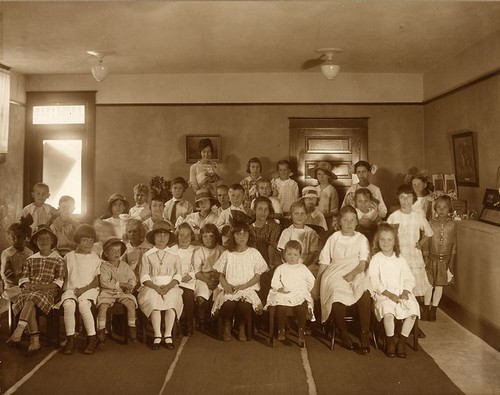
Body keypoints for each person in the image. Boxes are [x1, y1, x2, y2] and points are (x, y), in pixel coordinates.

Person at [314, 205, 372, 354]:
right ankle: (344, 333)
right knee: (337, 291)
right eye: (345, 220)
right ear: (339, 221)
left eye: (352, 220)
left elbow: (363, 262)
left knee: (364, 290)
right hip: (335, 270)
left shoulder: (361, 238)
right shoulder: (334, 238)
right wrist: (317, 284)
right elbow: (324, 262)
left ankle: (365, 335)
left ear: (357, 222)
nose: (349, 223)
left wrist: (353, 274)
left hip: (356, 269)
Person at [6, 226, 64, 356]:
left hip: (48, 292)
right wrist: (28, 285)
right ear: (36, 242)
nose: (43, 241)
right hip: (31, 290)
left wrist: (40, 287)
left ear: (52, 242)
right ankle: (34, 341)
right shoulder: (31, 259)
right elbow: (24, 278)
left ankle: (19, 331)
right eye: (40, 239)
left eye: (46, 239)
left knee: (31, 298)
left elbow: (58, 282)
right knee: (30, 298)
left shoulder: (58, 259)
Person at [369, 223, 420, 358]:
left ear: (395, 242)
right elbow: (373, 280)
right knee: (388, 313)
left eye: (389, 240)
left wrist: (405, 291)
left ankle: (402, 341)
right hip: (384, 295)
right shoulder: (376, 259)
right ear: (377, 241)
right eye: (382, 239)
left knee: (412, 310)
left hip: (400, 293)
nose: (386, 243)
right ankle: (390, 341)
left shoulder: (400, 259)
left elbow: (410, 278)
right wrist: (388, 294)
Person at [211, 222, 268, 342]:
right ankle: (227, 323)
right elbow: (220, 274)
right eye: (238, 234)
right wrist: (225, 284)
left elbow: (258, 276)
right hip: (230, 287)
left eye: (244, 233)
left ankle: (241, 325)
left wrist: (244, 286)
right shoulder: (227, 254)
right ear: (233, 236)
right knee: (228, 304)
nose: (241, 237)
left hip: (247, 288)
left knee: (244, 305)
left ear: (249, 235)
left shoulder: (254, 253)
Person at [138, 221, 183, 350]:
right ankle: (158, 335)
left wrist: (169, 286)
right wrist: (156, 287)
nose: (162, 238)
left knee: (172, 300)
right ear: (153, 237)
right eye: (159, 235)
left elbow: (178, 275)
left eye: (165, 235)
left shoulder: (174, 255)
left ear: (169, 237)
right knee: (154, 301)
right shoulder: (147, 255)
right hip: (152, 286)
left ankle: (167, 334)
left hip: (170, 285)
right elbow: (144, 275)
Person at [387, 185, 434, 301]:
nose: (405, 200)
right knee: (399, 285)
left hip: (413, 256)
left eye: (408, 197)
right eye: (402, 197)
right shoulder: (393, 217)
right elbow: (386, 236)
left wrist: (421, 243)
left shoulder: (418, 216)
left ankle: (414, 314)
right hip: (398, 255)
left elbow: (429, 232)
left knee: (413, 286)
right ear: (398, 198)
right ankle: (400, 314)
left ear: (413, 198)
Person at [60, 224, 101, 355]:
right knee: (69, 305)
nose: (89, 243)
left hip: (89, 289)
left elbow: (97, 280)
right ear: (78, 240)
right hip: (72, 288)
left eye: (91, 240)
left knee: (84, 306)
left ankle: (92, 338)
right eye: (85, 240)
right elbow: (64, 276)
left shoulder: (95, 257)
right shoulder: (69, 257)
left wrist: (85, 289)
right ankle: (70, 339)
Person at [265, 240, 315, 347]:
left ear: (300, 256)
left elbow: (311, 281)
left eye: (295, 255)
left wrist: (306, 290)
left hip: (299, 293)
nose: (292, 257)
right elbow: (275, 281)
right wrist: (279, 288)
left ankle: (301, 330)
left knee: (302, 306)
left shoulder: (303, 268)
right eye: (289, 254)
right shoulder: (281, 268)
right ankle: (281, 329)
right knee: (281, 305)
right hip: (285, 292)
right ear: (284, 255)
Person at [96, 238, 138, 344]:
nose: (116, 254)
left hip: (122, 292)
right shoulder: (104, 267)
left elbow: (132, 278)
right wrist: (120, 284)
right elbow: (104, 282)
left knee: (131, 304)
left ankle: (131, 327)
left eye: (118, 251)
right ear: (106, 253)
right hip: (108, 292)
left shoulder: (124, 265)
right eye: (112, 251)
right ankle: (101, 330)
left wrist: (130, 286)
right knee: (103, 307)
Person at [422, 195, 457, 322]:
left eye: (445, 207)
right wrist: (425, 257)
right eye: (439, 207)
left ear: (450, 209)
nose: (442, 210)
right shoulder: (431, 223)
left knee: (439, 286)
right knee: (429, 284)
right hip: (431, 258)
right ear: (435, 209)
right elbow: (425, 242)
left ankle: (434, 310)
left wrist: (451, 261)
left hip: (445, 261)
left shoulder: (452, 225)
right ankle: (426, 308)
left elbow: (454, 244)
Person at [193, 224, 225, 329]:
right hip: (203, 278)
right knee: (201, 299)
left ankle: (215, 320)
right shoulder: (199, 251)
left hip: (219, 278)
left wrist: (217, 279)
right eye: (205, 236)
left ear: (216, 236)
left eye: (211, 236)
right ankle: (201, 320)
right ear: (201, 237)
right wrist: (208, 281)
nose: (208, 239)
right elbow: (197, 272)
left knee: (217, 298)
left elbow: (225, 269)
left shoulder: (221, 250)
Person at [277, 201, 320, 275]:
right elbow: (283, 252)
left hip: (307, 264)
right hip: (289, 262)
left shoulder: (312, 233)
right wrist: (291, 264)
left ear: (306, 215)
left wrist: (303, 266)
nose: (299, 216)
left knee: (316, 269)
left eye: (302, 214)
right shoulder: (287, 231)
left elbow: (313, 254)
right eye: (296, 214)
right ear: (291, 216)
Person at [252, 197, 281, 303]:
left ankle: (265, 305)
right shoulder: (249, 228)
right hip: (253, 259)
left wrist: (268, 265)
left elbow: (271, 247)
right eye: (260, 209)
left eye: (266, 209)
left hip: (270, 258)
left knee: (266, 276)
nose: (263, 212)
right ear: (254, 210)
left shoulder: (274, 226)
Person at [170, 223, 197, 335]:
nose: (184, 238)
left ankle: (189, 323)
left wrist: (191, 275)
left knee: (188, 296)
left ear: (191, 237)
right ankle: (177, 323)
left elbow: (197, 266)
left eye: (187, 236)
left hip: (189, 279)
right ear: (177, 236)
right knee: (175, 296)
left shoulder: (195, 249)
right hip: (175, 279)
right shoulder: (172, 250)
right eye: (181, 235)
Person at [1, 217, 33, 301]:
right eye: (13, 237)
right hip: (11, 288)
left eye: (19, 237)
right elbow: (5, 274)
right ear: (9, 238)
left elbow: (32, 270)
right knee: (25, 296)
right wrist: (21, 283)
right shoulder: (7, 254)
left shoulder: (29, 253)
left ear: (25, 237)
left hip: (27, 286)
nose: (16, 240)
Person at [308, 161, 339, 230]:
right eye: (319, 174)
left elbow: (334, 211)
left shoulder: (332, 190)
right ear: (316, 176)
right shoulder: (314, 189)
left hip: (327, 221)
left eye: (324, 174)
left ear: (328, 176)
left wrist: (321, 216)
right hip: (313, 220)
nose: (321, 177)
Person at [121, 218, 153, 285]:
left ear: (140, 232)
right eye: (129, 232)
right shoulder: (125, 248)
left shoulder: (148, 248)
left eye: (135, 231)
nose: (132, 234)